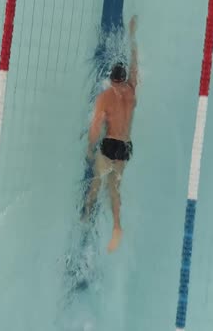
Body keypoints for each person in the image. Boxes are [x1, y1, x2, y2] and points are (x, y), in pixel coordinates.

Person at [82, 15, 138, 253]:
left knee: (96, 184)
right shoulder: (132, 89)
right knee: (114, 187)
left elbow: (96, 126)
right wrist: (132, 35)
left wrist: (89, 147)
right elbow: (135, 62)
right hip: (125, 148)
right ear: (123, 78)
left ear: (112, 80)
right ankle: (117, 225)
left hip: (109, 146)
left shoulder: (106, 97)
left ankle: (85, 218)